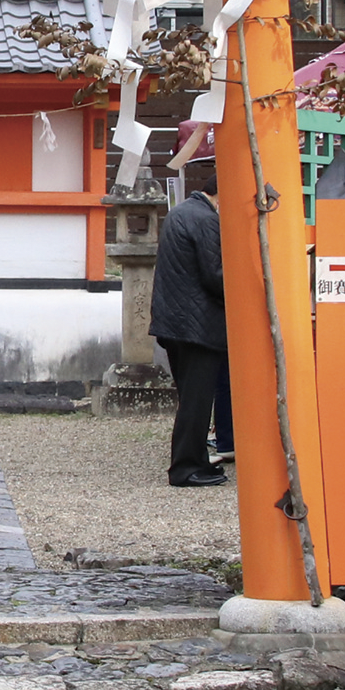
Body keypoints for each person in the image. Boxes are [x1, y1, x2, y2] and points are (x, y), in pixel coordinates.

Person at [150, 155, 228, 488]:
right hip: (198, 326)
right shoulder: (206, 220)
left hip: (175, 322)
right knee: (197, 401)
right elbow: (216, 276)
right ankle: (185, 467)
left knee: (191, 400)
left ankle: (195, 460)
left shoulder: (182, 213)